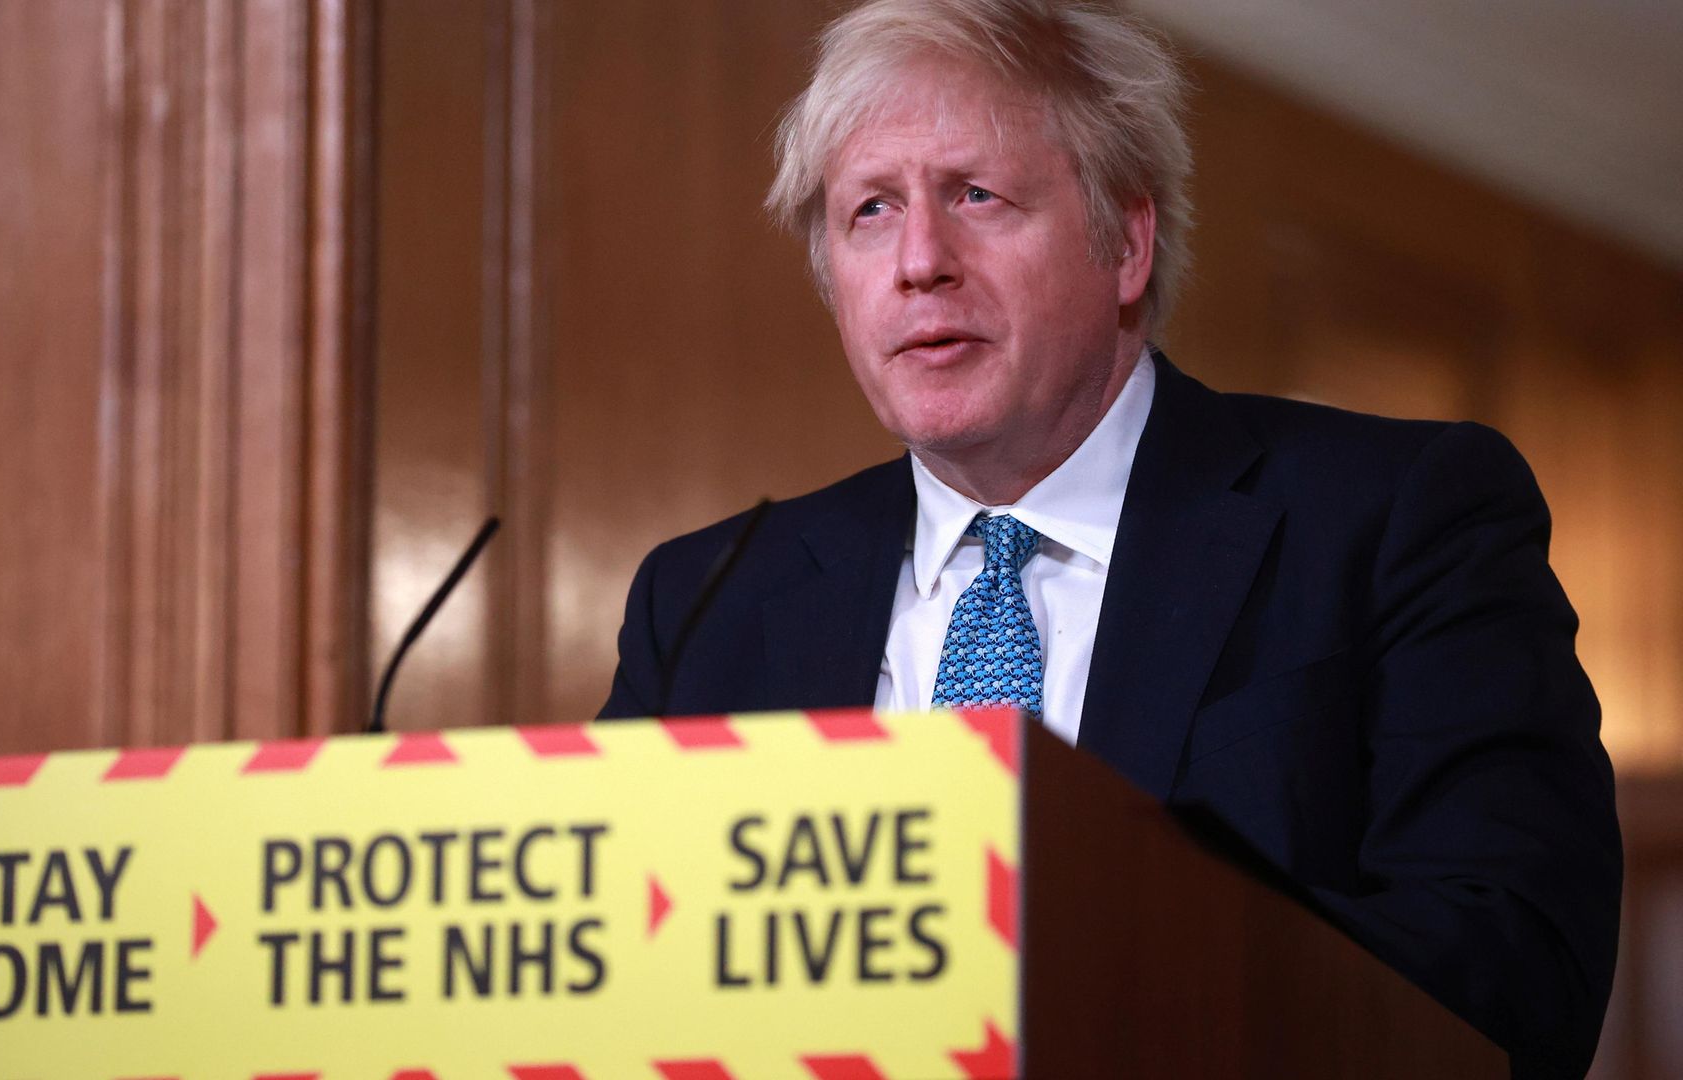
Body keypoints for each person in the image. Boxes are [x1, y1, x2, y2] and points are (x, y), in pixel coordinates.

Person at [596, 1, 1620, 1075]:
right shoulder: (707, 598)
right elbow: (610, 981)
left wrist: (1082, 944)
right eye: (870, 213)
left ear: (1125, 244)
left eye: (977, 195)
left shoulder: (1399, 516)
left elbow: (1518, 973)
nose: (920, 262)